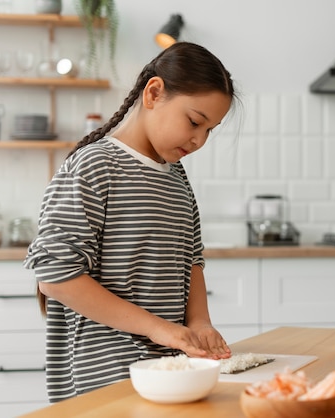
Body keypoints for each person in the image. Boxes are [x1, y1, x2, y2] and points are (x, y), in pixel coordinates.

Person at [24, 42, 236, 402]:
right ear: (153, 93)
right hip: (103, 379)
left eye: (209, 130)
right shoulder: (94, 166)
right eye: (195, 122)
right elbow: (55, 278)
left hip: (167, 374)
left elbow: (191, 260)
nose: (199, 140)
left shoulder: (176, 177)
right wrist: (159, 329)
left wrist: (198, 323)